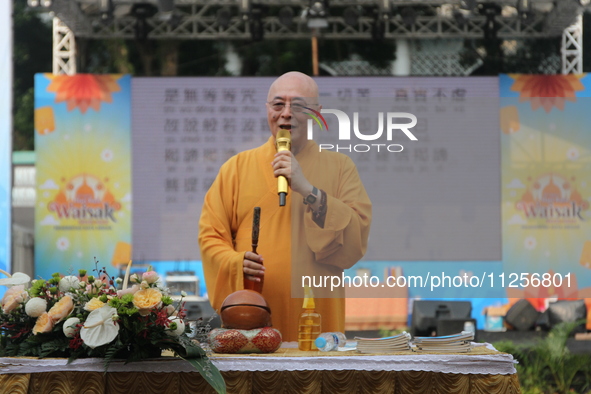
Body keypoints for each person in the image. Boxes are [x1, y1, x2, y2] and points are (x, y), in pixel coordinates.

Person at [199, 71, 372, 341]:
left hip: (318, 317)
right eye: (278, 104)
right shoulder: (236, 168)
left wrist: (308, 189)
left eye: (299, 105)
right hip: (252, 314)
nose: (286, 113)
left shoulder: (340, 168)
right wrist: (236, 263)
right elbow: (211, 237)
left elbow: (355, 236)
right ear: (268, 109)